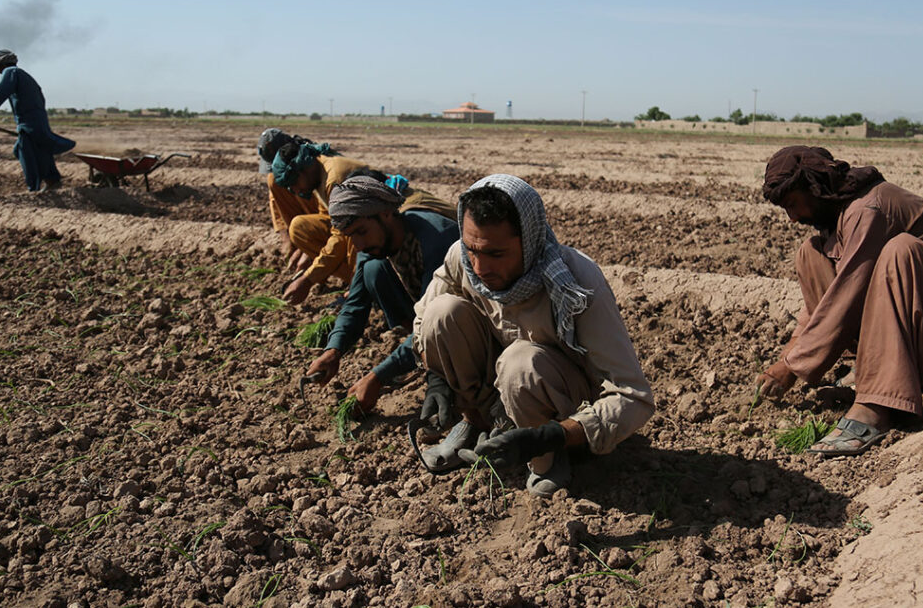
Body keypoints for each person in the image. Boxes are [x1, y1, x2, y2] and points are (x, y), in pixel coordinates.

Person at [411, 174, 655, 497]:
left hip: (561, 403)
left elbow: (633, 396)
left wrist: (550, 436)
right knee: (441, 313)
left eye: (496, 254)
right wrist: (438, 378)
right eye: (472, 249)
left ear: (529, 240)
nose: (480, 267)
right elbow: (422, 325)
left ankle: (547, 459)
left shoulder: (577, 282)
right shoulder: (462, 259)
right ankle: (479, 424)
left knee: (520, 363)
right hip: (498, 392)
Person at [758, 145, 923, 456]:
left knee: (902, 251)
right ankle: (868, 370)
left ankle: (877, 402)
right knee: (811, 253)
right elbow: (820, 309)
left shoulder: (868, 210)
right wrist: (783, 362)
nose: (793, 218)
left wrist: (792, 367)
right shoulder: (842, 215)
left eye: (794, 204)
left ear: (815, 188)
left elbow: (847, 297)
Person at [305, 176, 459, 413]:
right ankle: (423, 356)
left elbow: (431, 322)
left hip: (467, 322)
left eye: (361, 231)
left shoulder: (437, 240)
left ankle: (439, 365)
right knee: (372, 270)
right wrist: (333, 350)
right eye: (350, 236)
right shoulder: (373, 245)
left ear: (386, 213)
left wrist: (378, 377)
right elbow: (355, 304)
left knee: (438, 319)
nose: (357, 244)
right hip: (427, 317)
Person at [266, 137, 453, 305]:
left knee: (356, 242)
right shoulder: (320, 175)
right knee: (301, 228)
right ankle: (360, 286)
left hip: (399, 225)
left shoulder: (334, 180)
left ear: (303, 170)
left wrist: (308, 279)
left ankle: (363, 289)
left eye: (294, 184)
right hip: (375, 225)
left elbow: (340, 236)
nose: (296, 191)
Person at [0, 50, 75, 192]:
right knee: (37, 150)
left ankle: (34, 188)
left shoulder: (11, 72)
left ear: (2, 64)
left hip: (29, 123)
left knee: (25, 152)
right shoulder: (22, 75)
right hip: (36, 121)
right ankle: (52, 180)